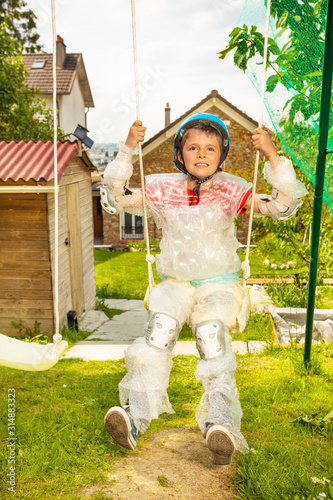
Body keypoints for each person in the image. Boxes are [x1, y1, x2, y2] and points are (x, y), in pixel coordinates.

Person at [100, 113, 307, 465]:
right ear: (180, 155)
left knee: (211, 338)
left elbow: (282, 205)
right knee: (157, 335)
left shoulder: (231, 188)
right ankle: (135, 416)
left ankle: (220, 424)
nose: (201, 153)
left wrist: (272, 155)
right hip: (176, 283)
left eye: (210, 148)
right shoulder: (163, 188)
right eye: (192, 147)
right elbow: (118, 197)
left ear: (221, 156)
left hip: (218, 283)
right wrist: (129, 148)